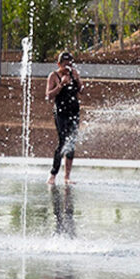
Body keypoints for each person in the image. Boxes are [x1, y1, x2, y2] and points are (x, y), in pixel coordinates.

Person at [45, 51, 81, 185]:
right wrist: (61, 84)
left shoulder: (74, 74)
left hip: (74, 111)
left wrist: (77, 80)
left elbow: (81, 91)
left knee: (71, 143)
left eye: (70, 64)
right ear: (58, 64)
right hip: (61, 113)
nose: (67, 67)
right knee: (63, 141)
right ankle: (53, 174)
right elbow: (48, 95)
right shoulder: (53, 76)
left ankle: (67, 176)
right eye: (65, 64)